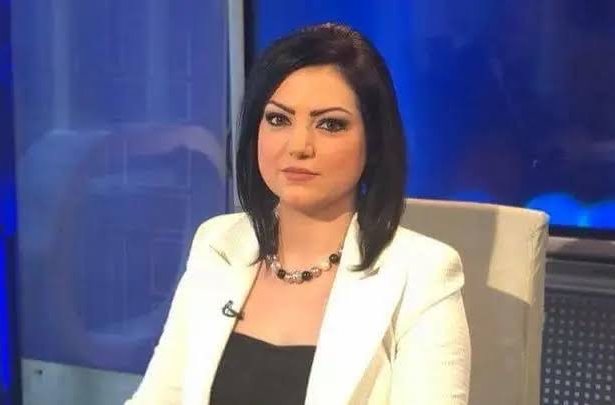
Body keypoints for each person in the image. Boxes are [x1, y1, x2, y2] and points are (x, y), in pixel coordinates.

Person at [125, 23, 470, 405]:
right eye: (278, 119)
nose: (299, 146)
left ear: (374, 141)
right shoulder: (218, 245)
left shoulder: (422, 274)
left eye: (330, 124)